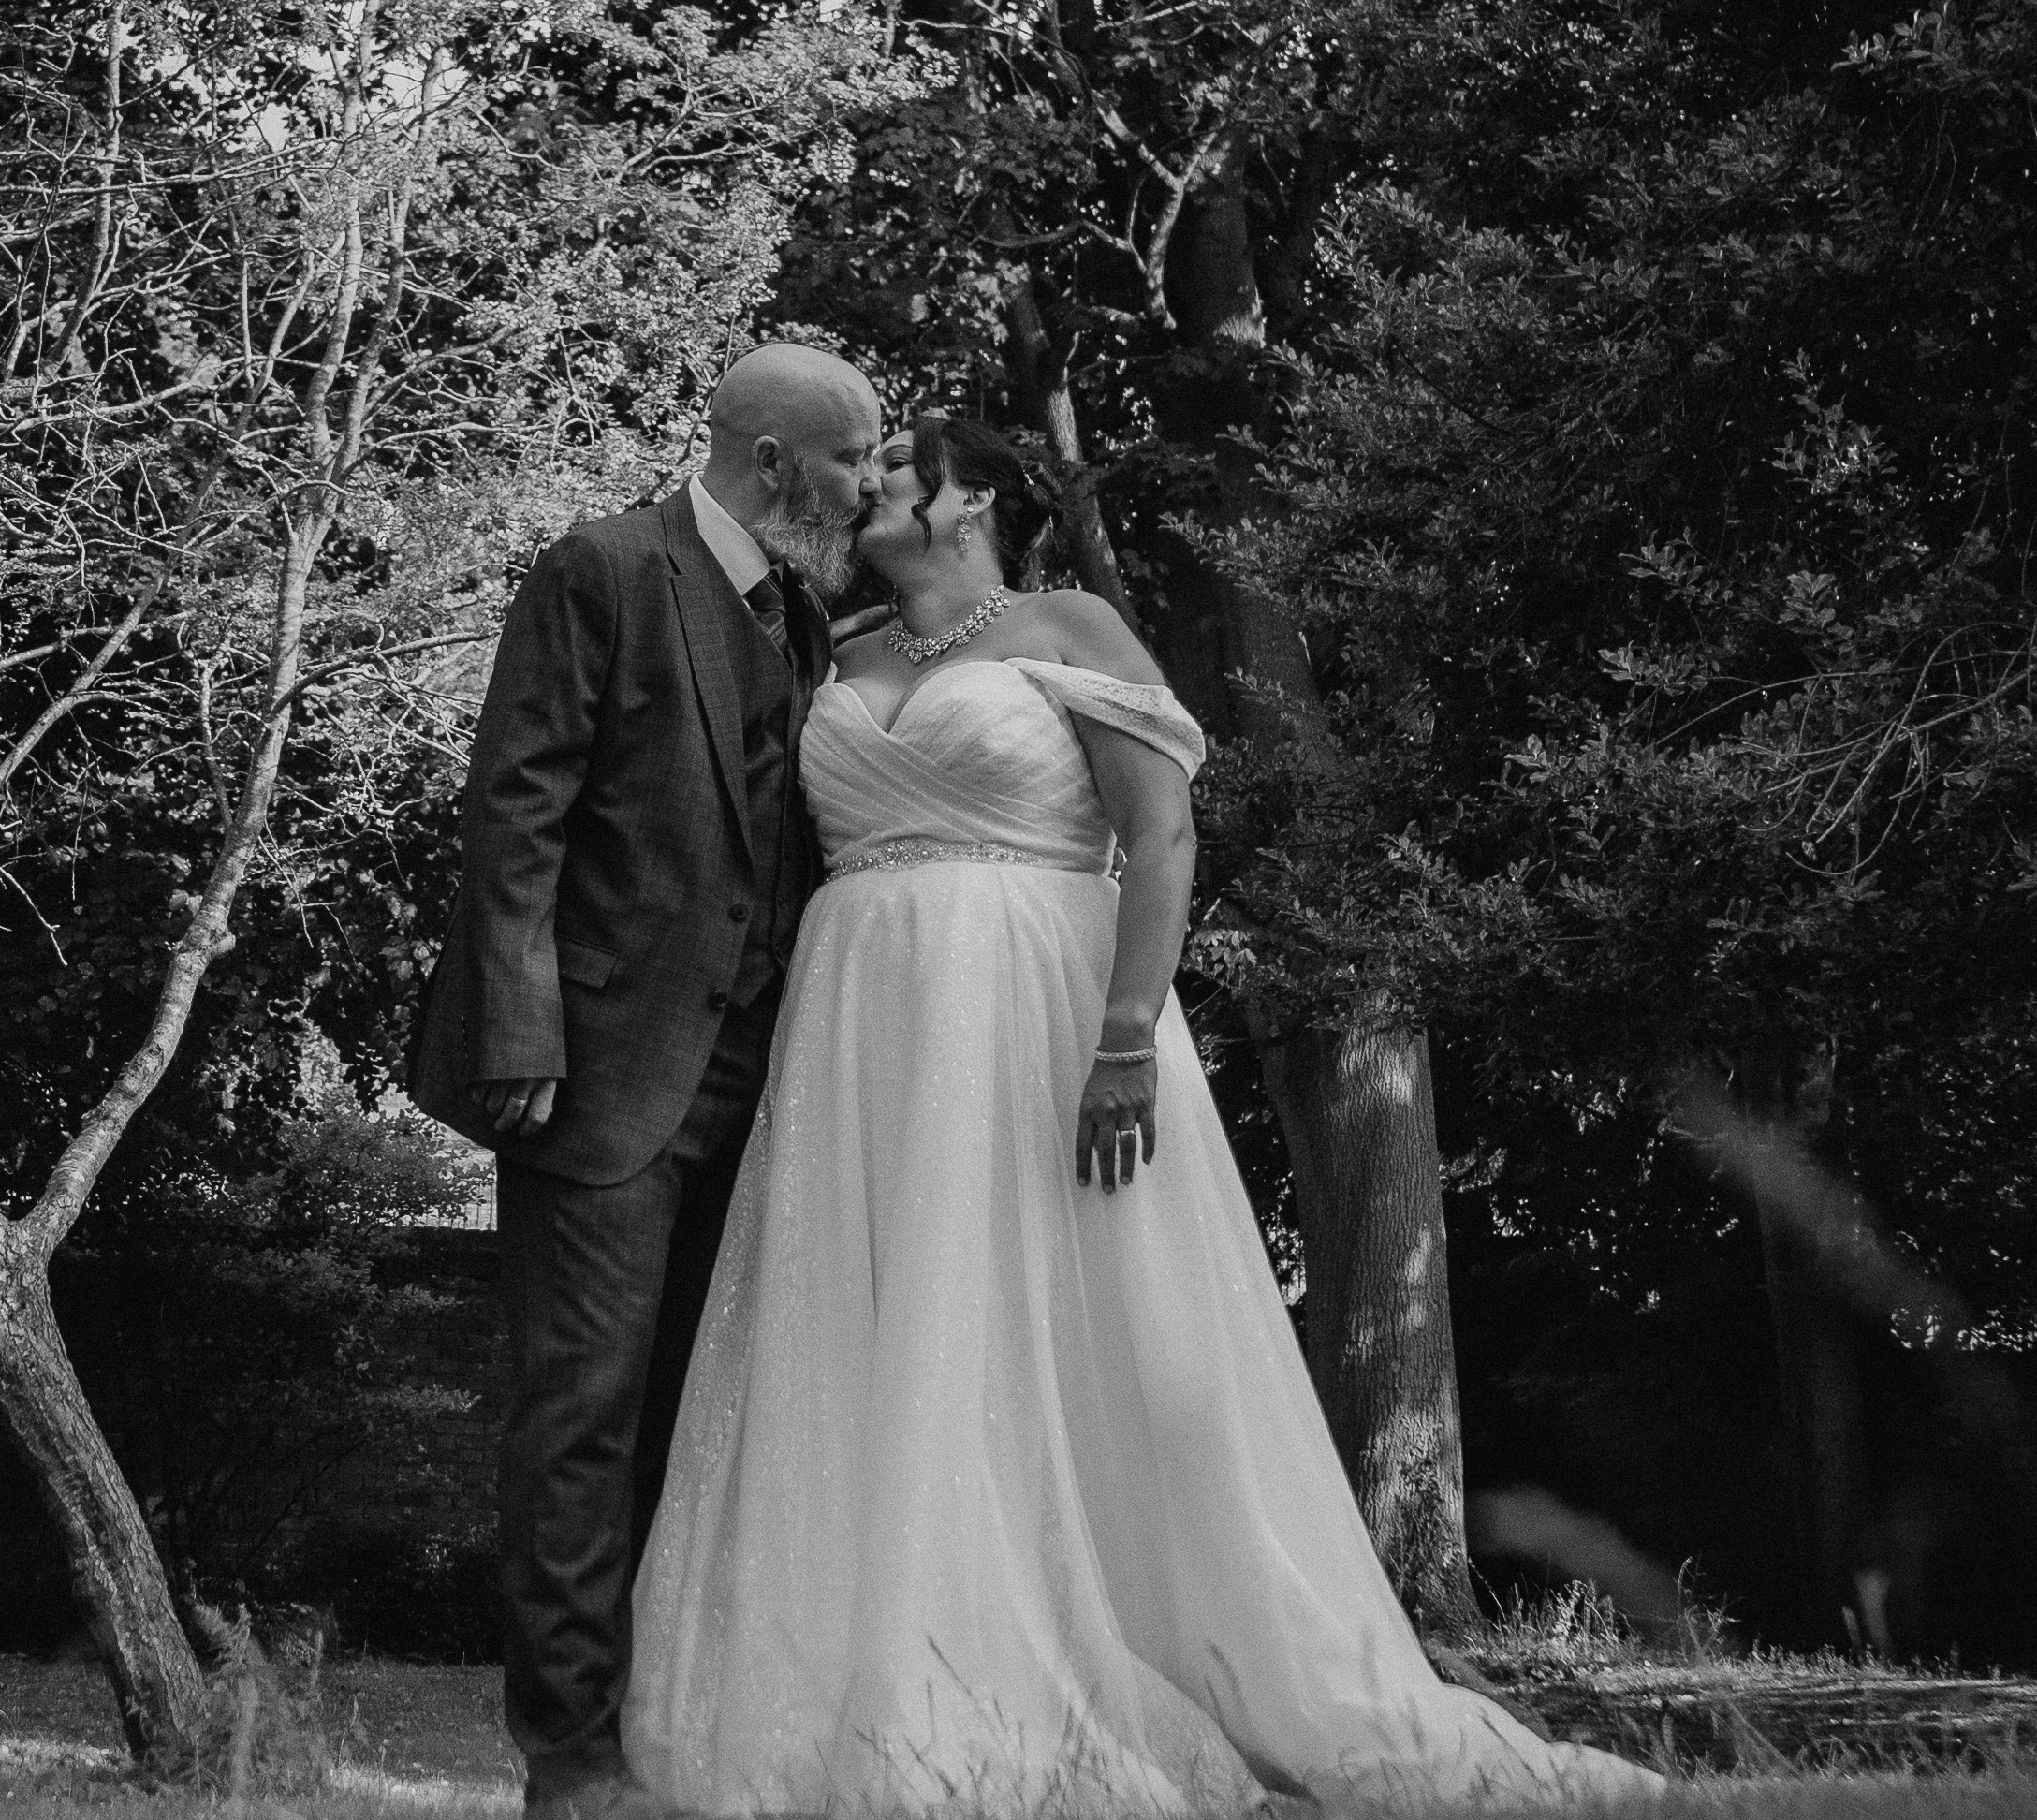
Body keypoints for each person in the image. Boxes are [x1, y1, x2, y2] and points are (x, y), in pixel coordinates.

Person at [621, 418, 1666, 1814]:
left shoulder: (1073, 625)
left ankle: (1155, 1645)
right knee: (876, 1317)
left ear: (975, 499)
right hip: (860, 1020)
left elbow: (1161, 834)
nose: (868, 483)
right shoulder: (838, 650)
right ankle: (880, 1652)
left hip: (1039, 1007)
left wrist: (1124, 1037)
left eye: (899, 464)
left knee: (1069, 1313)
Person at [411, 345, 884, 1820]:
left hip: (761, 1088)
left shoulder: (808, 612)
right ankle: (569, 1763)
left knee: (698, 1421)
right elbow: (517, 808)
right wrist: (521, 1031)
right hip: (600, 1084)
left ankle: (672, 1734)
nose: (871, 488)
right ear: (776, 462)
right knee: (582, 1423)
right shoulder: (607, 569)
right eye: (856, 459)